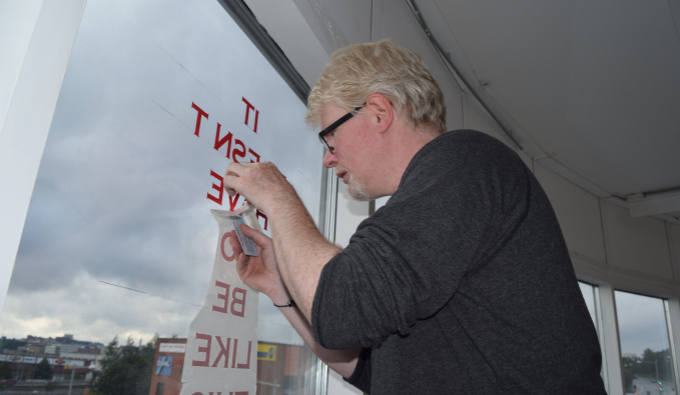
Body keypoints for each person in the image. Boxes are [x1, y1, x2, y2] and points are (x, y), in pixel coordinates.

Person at [223, 39, 606, 394]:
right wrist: (280, 289)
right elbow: (367, 367)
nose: (328, 157)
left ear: (377, 112)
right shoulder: (441, 214)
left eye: (329, 138)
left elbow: (343, 308)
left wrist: (278, 196)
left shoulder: (465, 162)